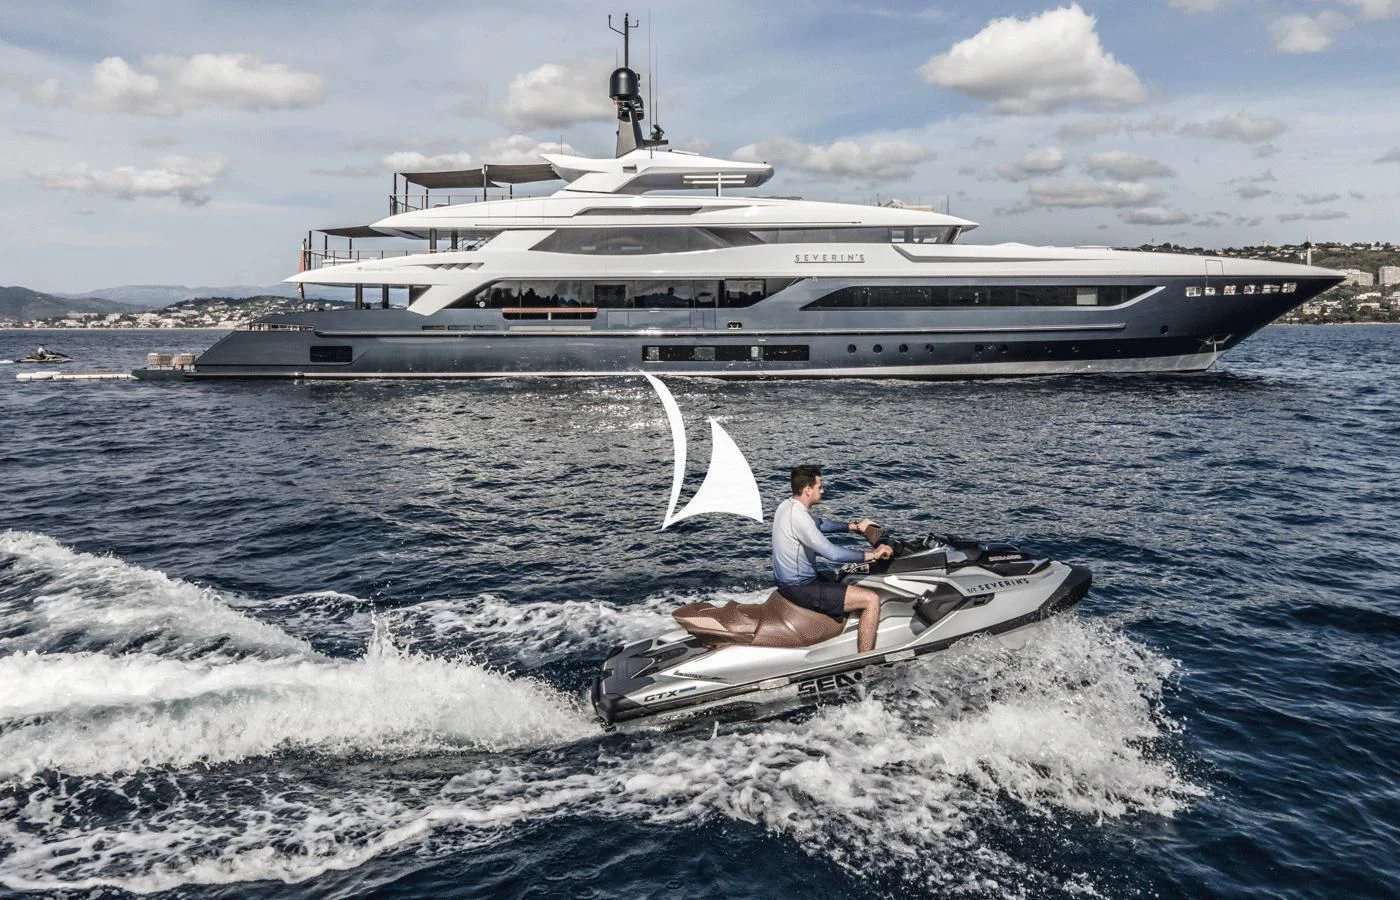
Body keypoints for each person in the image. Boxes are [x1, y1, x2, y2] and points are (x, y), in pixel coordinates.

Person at [772, 464, 893, 653]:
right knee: (870, 599)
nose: (823, 490)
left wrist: (853, 526)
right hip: (801, 587)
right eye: (820, 486)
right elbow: (832, 553)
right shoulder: (799, 518)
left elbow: (820, 524)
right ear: (807, 490)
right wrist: (873, 555)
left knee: (844, 576)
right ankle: (865, 661)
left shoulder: (787, 506)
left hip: (792, 583)